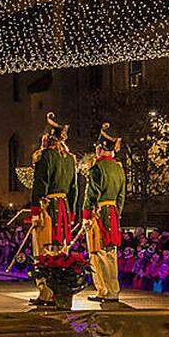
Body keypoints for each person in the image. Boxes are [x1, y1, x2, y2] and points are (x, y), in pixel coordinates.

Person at [27, 112, 80, 307]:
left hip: (47, 207)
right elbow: (74, 188)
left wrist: (35, 211)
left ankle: (46, 293)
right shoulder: (70, 159)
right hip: (64, 207)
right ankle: (60, 291)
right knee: (61, 249)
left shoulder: (45, 156)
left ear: (47, 137)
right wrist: (72, 213)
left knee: (43, 249)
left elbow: (39, 185)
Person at [83, 123, 125, 303]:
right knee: (111, 252)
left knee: (97, 252)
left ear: (100, 148)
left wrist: (86, 216)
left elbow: (90, 194)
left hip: (98, 212)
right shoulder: (119, 168)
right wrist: (117, 213)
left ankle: (103, 290)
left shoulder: (97, 168)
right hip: (113, 211)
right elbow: (122, 195)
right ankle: (113, 290)